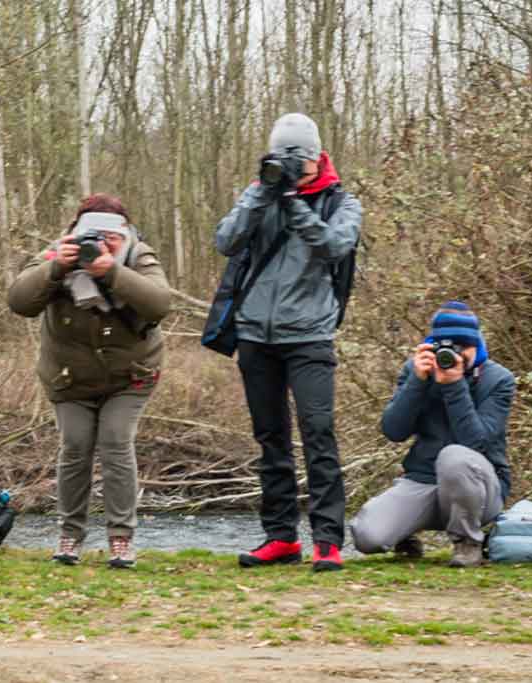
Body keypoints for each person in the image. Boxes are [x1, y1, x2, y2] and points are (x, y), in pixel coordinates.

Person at [212, 113, 362, 572]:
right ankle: (280, 537)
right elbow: (225, 240)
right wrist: (263, 192)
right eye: (284, 157)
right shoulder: (259, 193)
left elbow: (334, 246)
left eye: (300, 158)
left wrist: (296, 203)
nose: (293, 165)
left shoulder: (343, 202)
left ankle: (327, 541)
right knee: (270, 437)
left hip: (310, 335)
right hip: (256, 334)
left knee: (319, 434)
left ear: (318, 157)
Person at [7, 195, 172, 569]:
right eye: (93, 235)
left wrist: (111, 271)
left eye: (111, 236)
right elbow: (19, 301)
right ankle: (70, 536)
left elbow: (160, 303)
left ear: (126, 234)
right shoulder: (58, 254)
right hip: (69, 377)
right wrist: (54, 270)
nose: (101, 243)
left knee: (115, 441)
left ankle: (121, 539)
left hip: (131, 375)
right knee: (76, 445)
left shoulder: (138, 255)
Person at [351, 301, 516, 568]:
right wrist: (417, 381)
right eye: (447, 347)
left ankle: (467, 544)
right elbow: (394, 431)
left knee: (454, 457)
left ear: (477, 344)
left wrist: (454, 386)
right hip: (423, 480)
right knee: (367, 537)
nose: (456, 355)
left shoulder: (498, 380)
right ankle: (406, 533)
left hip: (480, 488)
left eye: (464, 347)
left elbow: (477, 443)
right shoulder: (416, 371)